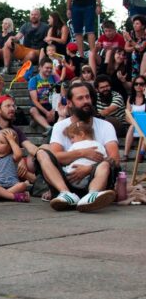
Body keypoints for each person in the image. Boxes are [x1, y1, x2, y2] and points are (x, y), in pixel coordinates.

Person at [35, 81, 118, 212]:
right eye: (80, 98)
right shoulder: (60, 126)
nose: (86, 101)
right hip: (68, 178)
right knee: (42, 152)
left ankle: (92, 196)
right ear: (69, 103)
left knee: (106, 164)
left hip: (96, 179)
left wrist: (89, 169)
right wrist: (83, 153)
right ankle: (66, 194)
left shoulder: (106, 126)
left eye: (87, 97)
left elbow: (115, 160)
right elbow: (56, 157)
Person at [0, 95, 38, 183]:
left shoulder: (16, 130)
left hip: (12, 165)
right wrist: (19, 159)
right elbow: (1, 148)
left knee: (32, 158)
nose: (12, 109)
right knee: (7, 159)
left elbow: (30, 146)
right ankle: (35, 180)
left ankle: (41, 180)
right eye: (8, 106)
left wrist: (42, 153)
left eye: (13, 106)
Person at [66, 0, 101, 74]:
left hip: (89, 4)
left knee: (90, 30)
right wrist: (68, 7)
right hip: (76, 5)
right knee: (78, 31)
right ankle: (81, 55)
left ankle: (92, 52)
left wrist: (98, 4)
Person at [0, 129, 30, 202]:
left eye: (2, 142)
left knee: (22, 185)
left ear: (10, 146)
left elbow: (19, 154)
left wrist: (11, 140)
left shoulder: (13, 157)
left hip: (12, 185)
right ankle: (14, 197)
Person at [62, 121, 107, 189]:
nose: (71, 141)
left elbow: (67, 159)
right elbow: (105, 160)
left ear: (82, 134)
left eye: (72, 137)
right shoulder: (99, 145)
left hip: (71, 178)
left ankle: (57, 190)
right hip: (91, 179)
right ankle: (94, 192)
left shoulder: (75, 145)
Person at [28, 57, 58, 136]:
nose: (49, 70)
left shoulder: (54, 78)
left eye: (50, 68)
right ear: (40, 68)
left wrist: (53, 110)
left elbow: (60, 94)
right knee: (32, 110)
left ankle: (38, 121)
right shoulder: (34, 80)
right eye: (47, 68)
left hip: (52, 106)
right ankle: (48, 127)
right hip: (39, 106)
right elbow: (34, 100)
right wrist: (47, 113)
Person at [123, 76, 146, 162]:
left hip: (144, 123)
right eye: (136, 84)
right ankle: (125, 154)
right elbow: (127, 116)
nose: (138, 86)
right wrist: (134, 123)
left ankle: (141, 153)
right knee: (132, 127)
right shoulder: (130, 98)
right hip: (134, 124)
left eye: (141, 84)